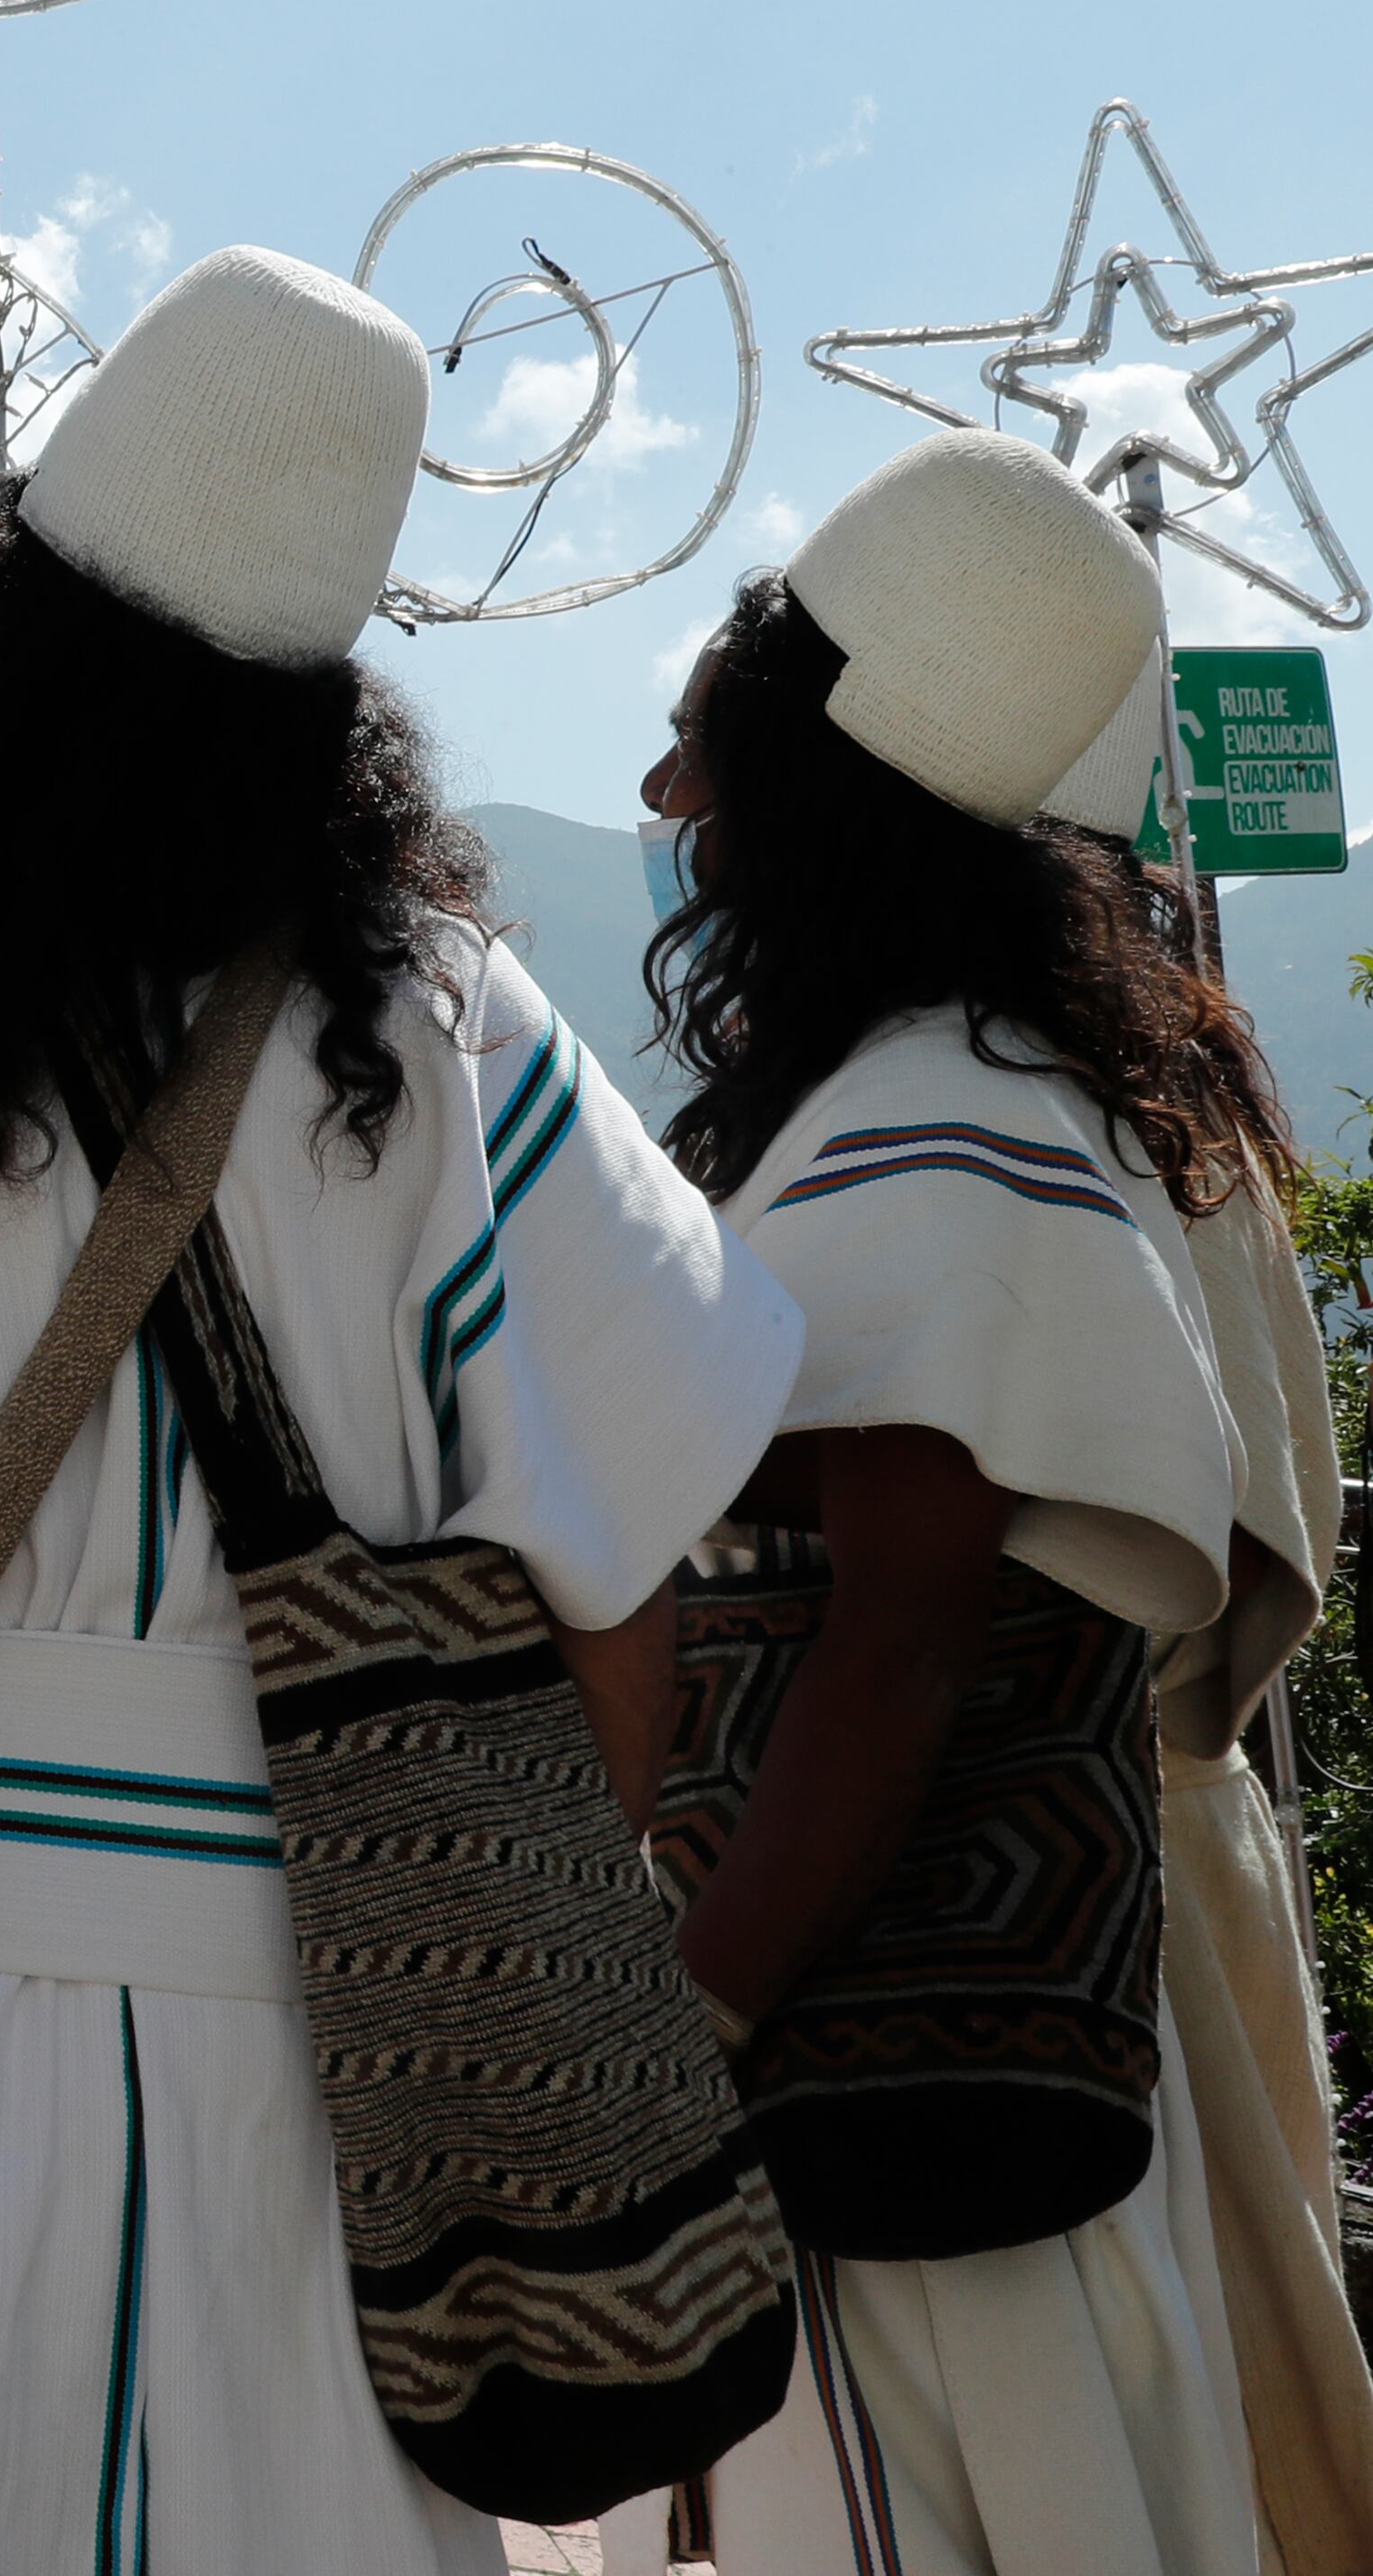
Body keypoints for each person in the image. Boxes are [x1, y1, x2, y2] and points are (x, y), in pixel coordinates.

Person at [0, 247, 804, 2571]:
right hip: (330, 2073)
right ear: (323, 703)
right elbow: (642, 1587)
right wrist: (449, 1871)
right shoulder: (444, 1030)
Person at [640, 432, 1268, 2576]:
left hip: (868, 2088)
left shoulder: (929, 1121)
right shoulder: (980, 1084)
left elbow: (893, 1647)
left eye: (705, 757)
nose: (665, 814)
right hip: (945, 2072)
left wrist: (678, 2026)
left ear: (822, 790)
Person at [1040, 682, 1373, 2570]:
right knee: (1255, 2373)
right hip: (1203, 1813)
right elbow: (1294, 1522)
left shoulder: (997, 1110)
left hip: (1050, 1876)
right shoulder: (1198, 1112)